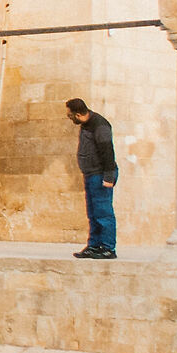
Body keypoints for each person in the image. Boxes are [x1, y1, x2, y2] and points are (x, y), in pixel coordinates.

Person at [66, 97, 117, 258]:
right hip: (90, 174)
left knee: (103, 212)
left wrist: (108, 178)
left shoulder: (100, 125)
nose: (70, 119)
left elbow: (108, 152)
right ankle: (94, 245)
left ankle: (108, 248)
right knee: (93, 213)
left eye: (70, 116)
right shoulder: (86, 124)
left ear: (78, 114)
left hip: (101, 174)